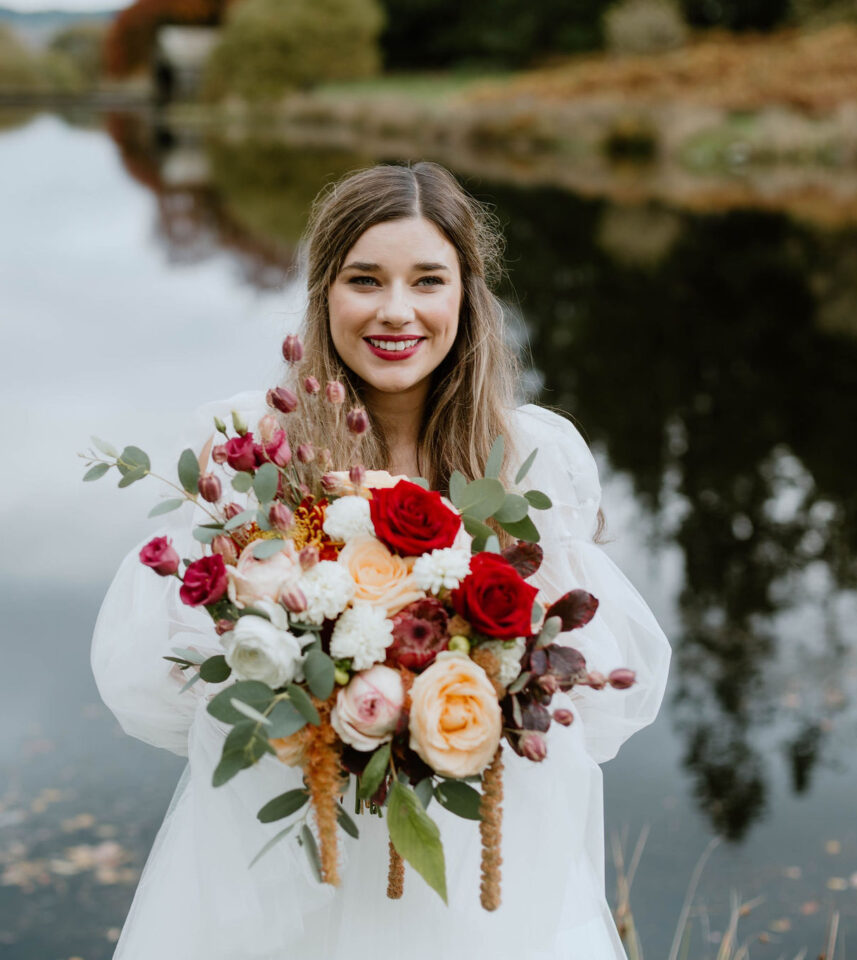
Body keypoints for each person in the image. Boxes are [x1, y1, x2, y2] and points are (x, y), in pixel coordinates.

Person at [91, 162, 672, 959]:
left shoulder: (531, 456)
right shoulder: (254, 453)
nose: (396, 311)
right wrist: (315, 700)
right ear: (323, 290)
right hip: (302, 841)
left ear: (465, 295)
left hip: (474, 848)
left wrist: (467, 700)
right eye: (365, 279)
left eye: (427, 280)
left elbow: (584, 691)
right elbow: (166, 678)